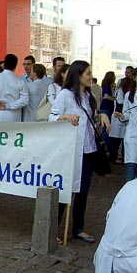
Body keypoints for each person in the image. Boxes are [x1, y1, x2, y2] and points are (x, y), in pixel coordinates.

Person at [49, 60, 111, 243]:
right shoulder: (65, 95)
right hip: (71, 151)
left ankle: (78, 228)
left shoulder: (89, 96)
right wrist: (64, 116)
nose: (91, 76)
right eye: (88, 74)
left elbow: (92, 117)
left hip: (89, 150)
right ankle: (53, 230)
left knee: (83, 191)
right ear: (78, 76)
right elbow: (52, 116)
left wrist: (102, 115)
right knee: (65, 189)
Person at [114, 67, 137, 181]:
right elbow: (127, 114)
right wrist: (122, 116)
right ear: (134, 77)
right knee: (131, 167)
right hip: (133, 135)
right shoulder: (129, 95)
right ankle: (128, 194)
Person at [0, 54, 28, 122]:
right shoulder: (20, 82)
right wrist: (8, 106)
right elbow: (24, 101)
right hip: (13, 116)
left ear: (4, 65)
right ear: (15, 66)